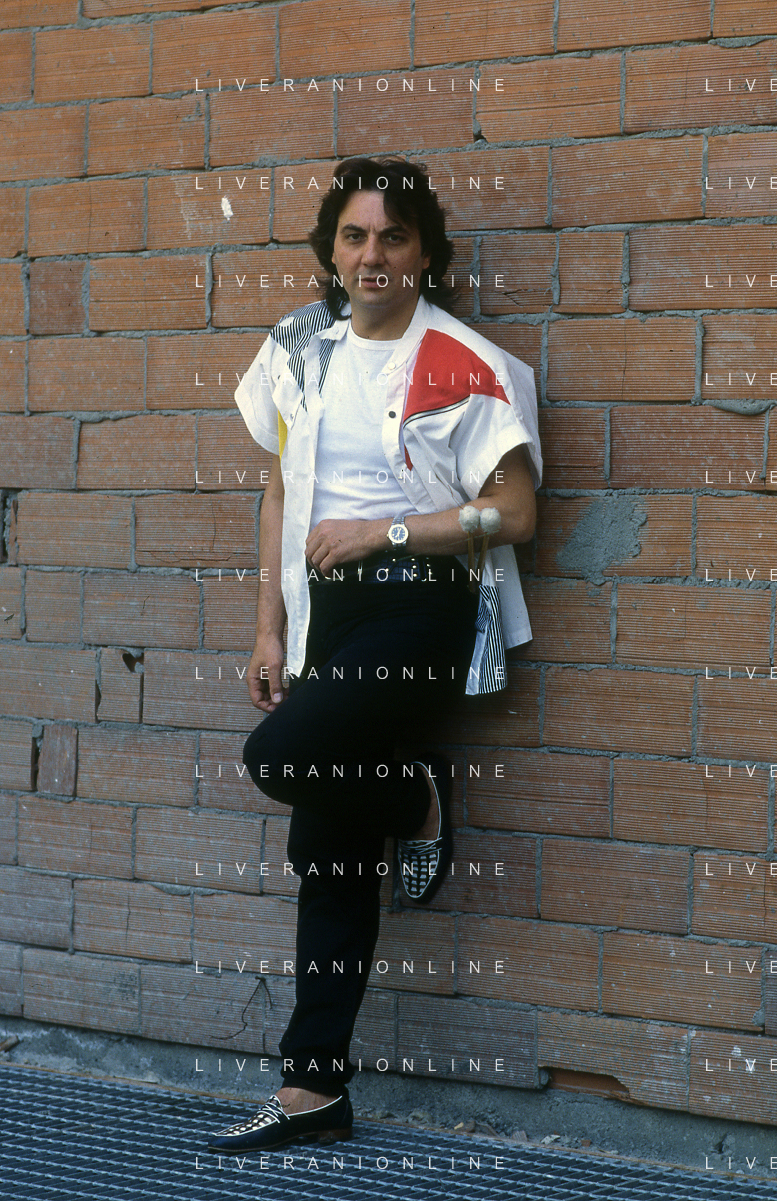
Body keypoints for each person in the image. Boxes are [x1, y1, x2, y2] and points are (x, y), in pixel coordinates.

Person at [206, 156, 542, 1154]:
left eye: (394, 236)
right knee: (327, 849)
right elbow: (279, 489)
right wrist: (268, 627)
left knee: (280, 756)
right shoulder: (298, 349)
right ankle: (314, 1088)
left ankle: (416, 797)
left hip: (417, 606)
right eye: (354, 236)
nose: (372, 255)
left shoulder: (461, 361)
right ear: (331, 251)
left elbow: (515, 512)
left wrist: (384, 533)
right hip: (327, 617)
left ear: (424, 254)